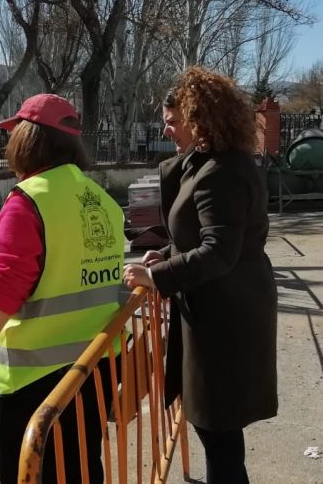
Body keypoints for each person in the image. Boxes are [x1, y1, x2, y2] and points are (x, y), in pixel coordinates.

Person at [0, 94, 126, 484]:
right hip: (96, 368)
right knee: (83, 470)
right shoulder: (102, 200)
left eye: (13, 135)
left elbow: (3, 296)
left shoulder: (27, 203)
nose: (7, 146)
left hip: (35, 382)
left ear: (28, 140)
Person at [122, 66, 278, 484]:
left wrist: (157, 277)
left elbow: (219, 251)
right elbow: (206, 235)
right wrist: (168, 253)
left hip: (225, 316)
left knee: (218, 427)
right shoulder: (212, 165)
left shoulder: (219, 173)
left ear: (198, 119)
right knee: (219, 429)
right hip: (223, 307)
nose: (166, 129)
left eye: (173, 122)